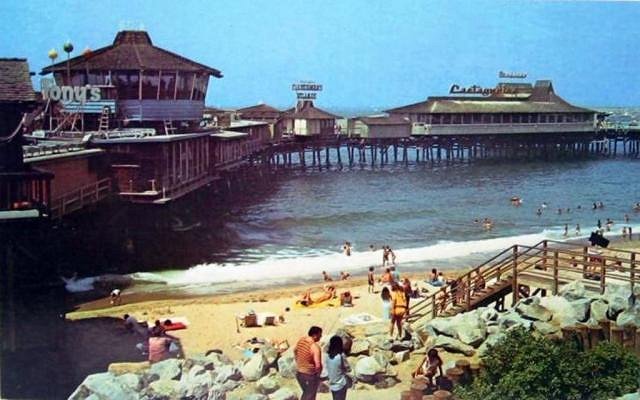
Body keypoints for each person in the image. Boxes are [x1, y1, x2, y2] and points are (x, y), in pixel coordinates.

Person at [294, 326, 323, 400]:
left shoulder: (301, 340)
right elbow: (318, 365)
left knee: (307, 393)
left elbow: (295, 351)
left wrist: (299, 362)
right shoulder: (315, 347)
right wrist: (318, 375)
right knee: (309, 395)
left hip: (299, 373)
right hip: (309, 375)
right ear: (315, 335)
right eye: (320, 335)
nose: (321, 337)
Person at [325, 336, 351, 400]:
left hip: (332, 384)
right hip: (340, 384)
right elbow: (348, 368)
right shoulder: (341, 355)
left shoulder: (327, 356)